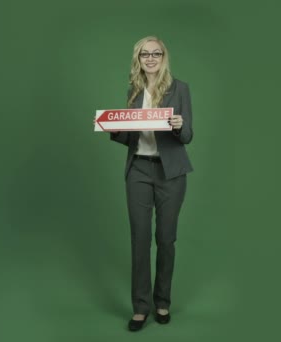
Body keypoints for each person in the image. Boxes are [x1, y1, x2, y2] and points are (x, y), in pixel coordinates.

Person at [108, 36, 194, 331]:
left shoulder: (179, 88)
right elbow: (131, 136)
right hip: (139, 171)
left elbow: (187, 137)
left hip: (171, 172)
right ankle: (140, 307)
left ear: (163, 56)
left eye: (157, 53)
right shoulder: (133, 89)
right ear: (139, 58)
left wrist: (180, 125)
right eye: (146, 54)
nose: (151, 58)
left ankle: (162, 302)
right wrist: (115, 129)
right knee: (140, 239)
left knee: (166, 239)